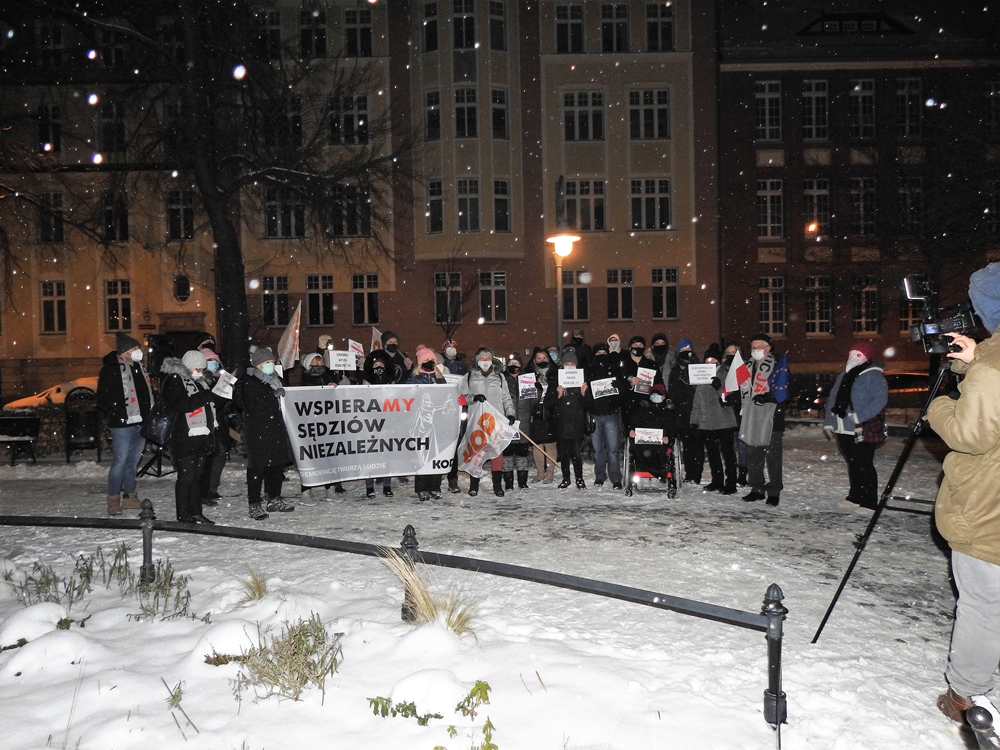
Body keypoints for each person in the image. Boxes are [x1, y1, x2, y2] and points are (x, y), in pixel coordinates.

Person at [927, 263, 1000, 726]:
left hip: (987, 508)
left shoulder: (993, 366)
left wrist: (939, 404)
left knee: (982, 602)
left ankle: (966, 693)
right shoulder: (988, 364)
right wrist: (968, 366)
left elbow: (971, 433)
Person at [822, 342, 888, 510]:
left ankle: (869, 501)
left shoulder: (873, 375)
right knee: (852, 462)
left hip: (862, 426)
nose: (853, 357)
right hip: (843, 426)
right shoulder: (844, 375)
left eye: (858, 355)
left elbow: (880, 400)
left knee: (864, 462)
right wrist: (829, 422)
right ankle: (855, 495)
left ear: (866, 357)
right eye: (851, 353)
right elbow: (833, 398)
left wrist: (861, 415)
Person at [159, 350, 223, 524]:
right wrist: (207, 395)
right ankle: (183, 514)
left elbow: (211, 405)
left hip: (201, 436)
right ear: (187, 367)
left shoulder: (201, 382)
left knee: (197, 477)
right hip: (184, 437)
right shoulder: (174, 380)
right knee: (186, 477)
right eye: (197, 369)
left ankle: (196, 512)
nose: (200, 372)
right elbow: (183, 404)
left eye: (202, 369)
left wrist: (221, 391)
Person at [96, 332, 154, 516]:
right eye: (135, 348)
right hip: (122, 424)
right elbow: (103, 398)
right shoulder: (111, 370)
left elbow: (146, 394)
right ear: (124, 351)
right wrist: (118, 412)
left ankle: (130, 496)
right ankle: (113, 499)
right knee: (120, 461)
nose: (139, 352)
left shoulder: (140, 369)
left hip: (140, 423)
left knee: (133, 462)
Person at [242, 346, 295, 520]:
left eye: (272, 362)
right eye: (267, 362)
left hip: (276, 430)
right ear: (258, 365)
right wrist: (272, 396)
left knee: (276, 466)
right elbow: (254, 407)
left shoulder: (276, 380)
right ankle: (254, 504)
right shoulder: (250, 382)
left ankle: (274, 498)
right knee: (258, 468)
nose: (270, 365)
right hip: (258, 432)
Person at [459, 346, 516, 496]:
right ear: (477, 361)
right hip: (477, 421)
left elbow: (506, 398)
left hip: (495, 421)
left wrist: (510, 413)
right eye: (482, 359)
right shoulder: (469, 376)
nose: (485, 362)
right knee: (477, 453)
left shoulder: (500, 377)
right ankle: (474, 485)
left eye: (488, 359)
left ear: (492, 360)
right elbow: (461, 397)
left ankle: (497, 485)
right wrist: (473, 398)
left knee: (496, 453)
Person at [740, 334, 785, 507]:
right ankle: (757, 488)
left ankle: (774, 491)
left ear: (768, 348)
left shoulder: (779, 364)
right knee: (754, 454)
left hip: (771, 416)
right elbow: (741, 388)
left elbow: (786, 388)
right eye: (752, 347)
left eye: (758, 347)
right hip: (751, 416)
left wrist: (769, 397)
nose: (755, 351)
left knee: (773, 456)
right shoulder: (746, 366)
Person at [299, 350, 346, 500]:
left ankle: (330, 488)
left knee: (329, 457)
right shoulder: (305, 380)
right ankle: (306, 490)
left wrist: (334, 385)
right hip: (312, 425)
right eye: (316, 363)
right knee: (311, 458)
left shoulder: (328, 378)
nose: (319, 365)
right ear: (308, 366)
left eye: (321, 362)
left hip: (328, 425)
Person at [691, 344, 738, 494]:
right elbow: (697, 402)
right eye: (707, 360)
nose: (710, 363)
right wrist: (694, 421)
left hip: (724, 422)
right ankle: (717, 480)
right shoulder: (702, 376)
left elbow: (730, 399)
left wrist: (718, 387)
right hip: (707, 423)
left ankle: (731, 483)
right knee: (712, 454)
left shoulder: (727, 374)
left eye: (713, 360)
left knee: (728, 453)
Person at [407, 345, 449, 502]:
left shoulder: (440, 379)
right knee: (422, 456)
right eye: (426, 360)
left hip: (437, 425)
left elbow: (447, 398)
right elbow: (406, 398)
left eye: (432, 360)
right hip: (421, 425)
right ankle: (422, 488)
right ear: (419, 363)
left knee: (436, 455)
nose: (430, 362)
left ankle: (434, 487)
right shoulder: (413, 379)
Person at [545, 348, 589, 489]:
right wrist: (557, 395)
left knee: (576, 452)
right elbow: (548, 403)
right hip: (561, 422)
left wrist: (583, 394)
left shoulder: (581, 380)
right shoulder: (556, 381)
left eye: (572, 364)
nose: (569, 366)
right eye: (567, 363)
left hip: (576, 422)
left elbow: (589, 404)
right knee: (564, 453)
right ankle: (566, 478)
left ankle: (579, 478)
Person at [585, 341, 627, 489]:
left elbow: (623, 395)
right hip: (595, 415)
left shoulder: (614, 369)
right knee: (597, 450)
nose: (601, 355)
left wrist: (619, 387)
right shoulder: (588, 371)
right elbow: (585, 398)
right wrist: (585, 393)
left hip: (611, 415)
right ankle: (600, 476)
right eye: (598, 353)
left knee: (613, 449)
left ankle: (616, 478)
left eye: (604, 353)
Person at [362, 348, 397, 498]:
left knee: (386, 454)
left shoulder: (392, 383)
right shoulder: (364, 383)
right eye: (375, 366)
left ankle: (387, 485)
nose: (378, 368)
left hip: (388, 423)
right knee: (370, 456)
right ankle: (369, 486)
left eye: (381, 365)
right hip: (370, 424)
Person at [669, 338, 704, 484]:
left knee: (698, 445)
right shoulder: (676, 370)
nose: (686, 353)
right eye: (683, 351)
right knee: (688, 446)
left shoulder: (700, 367)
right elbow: (673, 392)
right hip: (683, 413)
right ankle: (690, 473)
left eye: (688, 350)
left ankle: (697, 474)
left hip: (699, 413)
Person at [199, 348, 231, 506]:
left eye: (216, 361)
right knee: (207, 459)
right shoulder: (201, 381)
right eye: (210, 361)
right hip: (205, 425)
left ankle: (212, 488)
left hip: (219, 424)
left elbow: (223, 406)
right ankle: (204, 492)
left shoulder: (219, 379)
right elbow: (210, 403)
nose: (214, 364)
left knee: (219, 456)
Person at [625, 383, 676, 482]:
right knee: (638, 447)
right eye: (653, 395)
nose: (655, 397)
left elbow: (672, 429)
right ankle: (649, 469)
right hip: (643, 440)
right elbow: (634, 422)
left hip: (660, 441)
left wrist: (668, 438)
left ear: (664, 396)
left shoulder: (668, 412)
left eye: (658, 395)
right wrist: (631, 430)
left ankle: (657, 469)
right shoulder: (642, 409)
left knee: (658, 450)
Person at [525, 347, 558, 483]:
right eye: (539, 358)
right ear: (534, 360)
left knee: (550, 444)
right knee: (537, 444)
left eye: (544, 358)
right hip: (535, 411)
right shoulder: (528, 375)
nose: (542, 360)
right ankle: (540, 473)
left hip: (551, 411)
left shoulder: (556, 374)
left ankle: (550, 473)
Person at [502, 352, 534, 491]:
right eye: (510, 363)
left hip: (523, 420)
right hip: (507, 421)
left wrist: (536, 391)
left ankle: (522, 482)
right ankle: (508, 483)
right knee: (507, 454)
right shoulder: (502, 379)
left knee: (522, 453)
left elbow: (533, 403)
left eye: (516, 363)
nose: (513, 366)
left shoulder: (526, 379)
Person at [724, 342, 749, 486]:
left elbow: (746, 390)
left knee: (742, 446)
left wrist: (737, 399)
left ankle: (743, 472)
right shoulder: (723, 369)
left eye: (735, 352)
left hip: (741, 412)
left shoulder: (744, 369)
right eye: (729, 352)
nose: (732, 355)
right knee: (731, 446)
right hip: (727, 414)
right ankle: (733, 472)